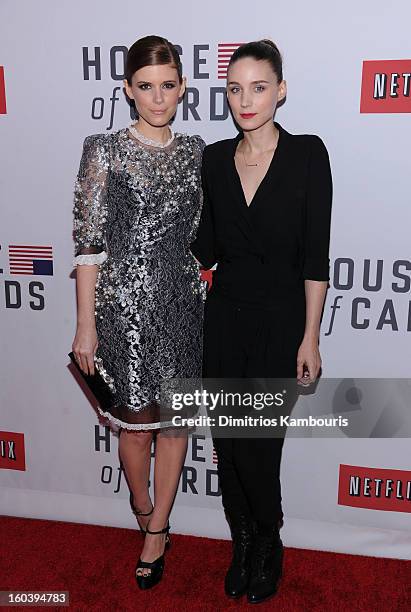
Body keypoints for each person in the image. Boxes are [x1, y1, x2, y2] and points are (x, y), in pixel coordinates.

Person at [190, 39, 332, 604]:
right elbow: (204, 247)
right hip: (223, 320)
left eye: (258, 86)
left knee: (260, 441)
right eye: (234, 88)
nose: (245, 100)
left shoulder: (308, 155)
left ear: (281, 90)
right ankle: (241, 540)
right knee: (229, 438)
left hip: (280, 324)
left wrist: (310, 337)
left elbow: (315, 257)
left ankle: (268, 539)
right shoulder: (213, 159)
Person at [71, 35, 206, 590]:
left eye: (168, 86)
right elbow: (88, 243)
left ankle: (158, 531)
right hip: (123, 309)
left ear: (182, 89)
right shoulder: (101, 149)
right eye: (146, 87)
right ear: (127, 90)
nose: (158, 98)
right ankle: (143, 502)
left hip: (183, 307)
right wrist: (86, 324)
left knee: (174, 427)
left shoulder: (200, 151)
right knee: (134, 430)